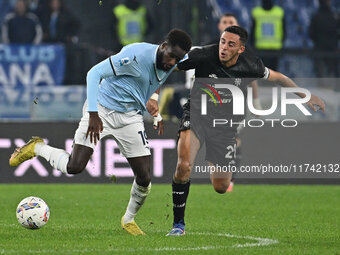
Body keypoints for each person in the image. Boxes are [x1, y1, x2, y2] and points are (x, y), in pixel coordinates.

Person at [9, 29, 192, 236]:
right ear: (163, 46)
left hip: (130, 117)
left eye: (178, 59)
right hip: (101, 109)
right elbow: (94, 73)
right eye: (171, 56)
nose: (173, 62)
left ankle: (128, 220)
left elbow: (156, 79)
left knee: (144, 177)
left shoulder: (172, 61)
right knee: (74, 166)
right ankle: (37, 147)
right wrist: (93, 113)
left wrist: (154, 106)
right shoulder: (134, 55)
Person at [166, 25, 325, 236]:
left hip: (224, 126)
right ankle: (178, 224)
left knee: (221, 186)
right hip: (196, 114)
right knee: (184, 165)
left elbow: (279, 78)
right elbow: (168, 65)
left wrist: (306, 95)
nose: (224, 47)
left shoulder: (251, 64)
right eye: (223, 41)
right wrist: (151, 93)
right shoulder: (203, 55)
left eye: (230, 44)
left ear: (240, 49)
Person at [207, 12, 263, 192]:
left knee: (234, 138)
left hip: (236, 102)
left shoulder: (244, 49)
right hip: (212, 102)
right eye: (224, 22)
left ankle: (230, 179)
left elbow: (252, 76)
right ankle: (218, 176)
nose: (227, 24)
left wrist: (256, 100)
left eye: (230, 22)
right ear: (218, 26)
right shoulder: (211, 47)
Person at [250, 0, 285, 70]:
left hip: (275, 49)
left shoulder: (279, 12)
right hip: (261, 48)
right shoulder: (256, 12)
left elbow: (284, 29)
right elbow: (252, 30)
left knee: (272, 74)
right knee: (263, 74)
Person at [309, 0, 340, 80]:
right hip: (332, 49)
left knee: (321, 75)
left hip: (320, 49)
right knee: (332, 74)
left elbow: (311, 34)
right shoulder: (335, 16)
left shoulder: (316, 16)